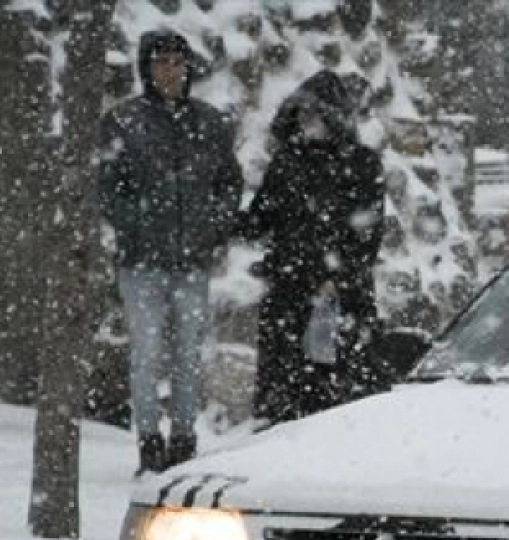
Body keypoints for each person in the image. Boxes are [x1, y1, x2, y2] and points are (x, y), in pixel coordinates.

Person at [97, 29, 243, 474]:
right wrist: (136, 226)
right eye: (161, 61)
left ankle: (183, 439)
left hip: (191, 262)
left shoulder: (210, 122)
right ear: (146, 67)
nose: (170, 70)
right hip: (141, 263)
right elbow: (109, 187)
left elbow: (229, 184)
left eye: (178, 61)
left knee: (187, 355)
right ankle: (148, 441)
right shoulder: (123, 121)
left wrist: (211, 228)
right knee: (144, 354)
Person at [240, 70, 385, 426]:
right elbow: (262, 218)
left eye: (314, 114)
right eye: (301, 114)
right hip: (289, 294)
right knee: (284, 395)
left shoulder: (362, 163)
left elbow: (368, 232)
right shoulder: (287, 162)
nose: (307, 122)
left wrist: (338, 276)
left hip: (342, 297)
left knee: (341, 397)